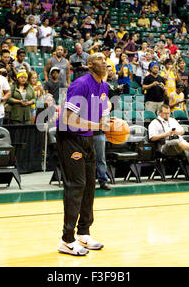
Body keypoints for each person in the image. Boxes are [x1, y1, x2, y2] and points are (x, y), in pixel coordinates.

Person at [56, 52, 112, 256]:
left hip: (87, 137)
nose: (105, 61)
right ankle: (67, 239)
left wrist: (112, 126)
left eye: (105, 59)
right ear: (90, 65)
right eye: (99, 59)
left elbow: (104, 116)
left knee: (90, 183)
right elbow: (68, 119)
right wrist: (98, 125)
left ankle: (84, 233)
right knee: (76, 184)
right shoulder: (81, 84)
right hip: (69, 138)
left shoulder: (104, 86)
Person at [149, 104, 189, 186]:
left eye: (169, 113)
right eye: (165, 113)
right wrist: (166, 134)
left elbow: (182, 131)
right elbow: (152, 138)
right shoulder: (154, 123)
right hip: (165, 145)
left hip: (180, 144)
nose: (168, 115)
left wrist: (176, 132)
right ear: (160, 113)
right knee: (177, 141)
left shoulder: (172, 120)